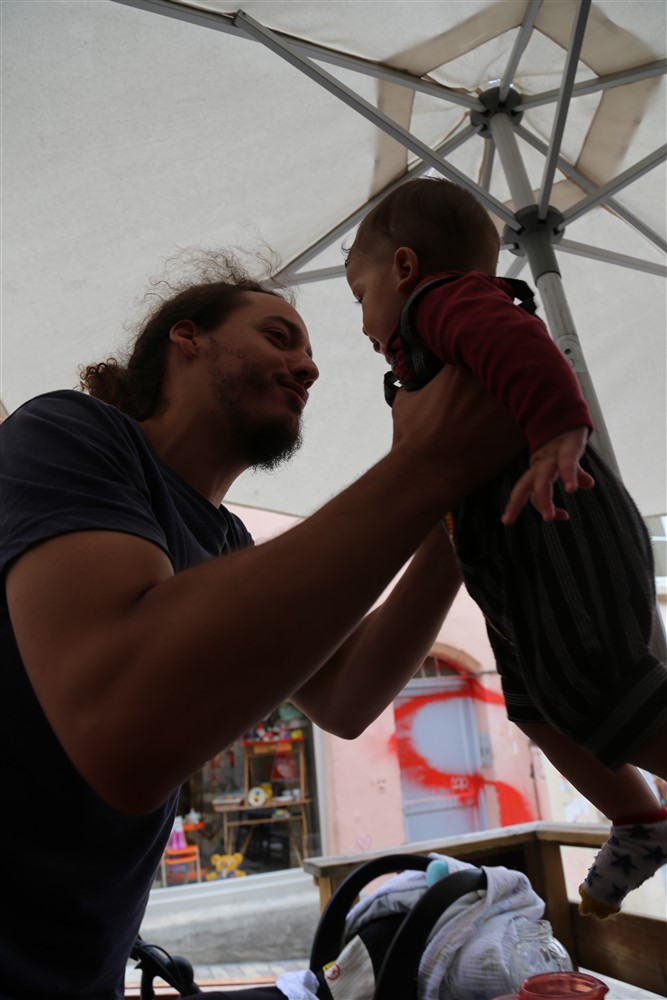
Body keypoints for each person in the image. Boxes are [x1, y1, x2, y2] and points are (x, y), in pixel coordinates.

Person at [0, 257, 525, 998]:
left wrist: (455, 523)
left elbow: (347, 695)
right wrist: (430, 462)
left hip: (81, 972)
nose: (308, 368)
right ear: (187, 338)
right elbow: (117, 727)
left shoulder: (227, 542)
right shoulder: (68, 432)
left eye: (309, 355)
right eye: (280, 337)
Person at [344, 177, 667, 921]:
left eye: (360, 295)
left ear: (403, 268)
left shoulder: (439, 303)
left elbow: (516, 340)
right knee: (536, 707)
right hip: (509, 563)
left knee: (601, 684)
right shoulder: (419, 365)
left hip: (558, 522)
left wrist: (557, 430)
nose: (362, 323)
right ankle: (639, 820)